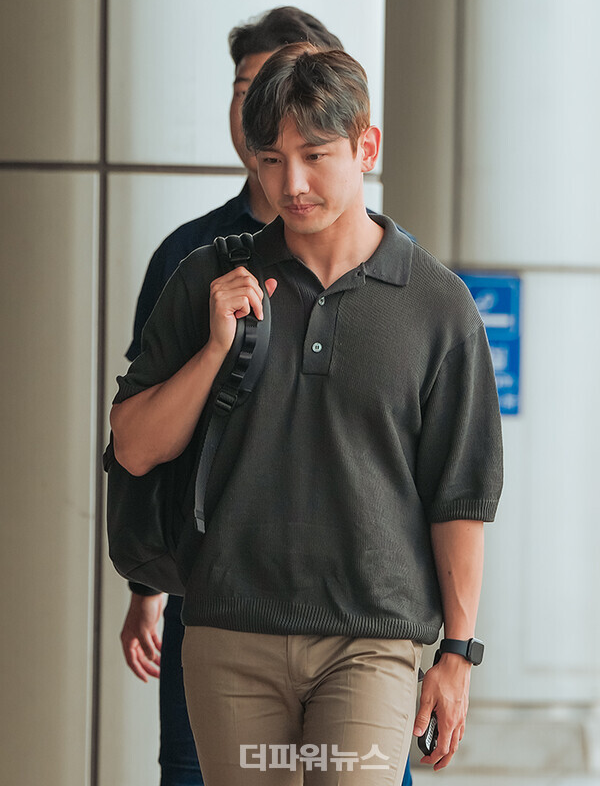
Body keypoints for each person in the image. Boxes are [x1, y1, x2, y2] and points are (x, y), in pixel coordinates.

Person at [112, 45, 502, 784]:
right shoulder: (208, 278)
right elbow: (132, 447)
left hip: (370, 643)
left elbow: (460, 497)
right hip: (231, 636)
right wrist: (214, 349)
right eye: (270, 159)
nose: (291, 183)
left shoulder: (437, 308)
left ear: (366, 146)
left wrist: (457, 654)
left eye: (314, 155)